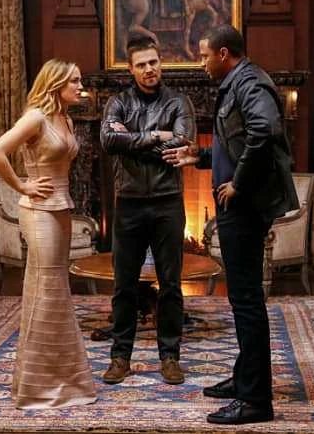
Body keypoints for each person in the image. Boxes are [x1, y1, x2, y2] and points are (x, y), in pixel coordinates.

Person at [163, 25, 299, 424]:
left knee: (246, 301)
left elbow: (265, 132)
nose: (201, 63)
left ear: (224, 54)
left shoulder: (250, 83)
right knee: (242, 299)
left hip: (246, 206)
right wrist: (200, 156)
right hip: (238, 205)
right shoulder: (237, 83)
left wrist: (238, 183)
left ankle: (255, 401)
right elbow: (236, 144)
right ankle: (244, 379)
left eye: (205, 55)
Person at [0, 59, 97, 409]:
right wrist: (23, 185)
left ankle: (60, 381)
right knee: (48, 291)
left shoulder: (65, 118)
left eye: (80, 80)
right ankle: (38, 388)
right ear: (56, 83)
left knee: (54, 289)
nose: (80, 87)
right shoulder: (35, 117)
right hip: (39, 212)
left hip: (61, 209)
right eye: (74, 81)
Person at [100, 34, 195, 385]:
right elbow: (109, 140)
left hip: (168, 202)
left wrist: (133, 140)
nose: (149, 69)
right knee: (124, 284)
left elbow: (181, 144)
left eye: (153, 62)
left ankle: (170, 357)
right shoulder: (118, 103)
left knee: (170, 284)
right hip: (128, 203)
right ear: (131, 69)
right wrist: (157, 136)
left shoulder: (179, 102)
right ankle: (120, 357)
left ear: (161, 62)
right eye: (141, 64)